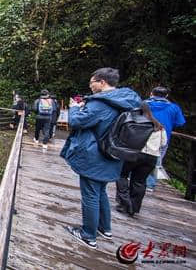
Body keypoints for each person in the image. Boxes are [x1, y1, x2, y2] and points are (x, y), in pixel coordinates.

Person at [61, 67, 141, 249]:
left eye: (92, 83)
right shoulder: (125, 101)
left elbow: (76, 122)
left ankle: (88, 235)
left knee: (90, 194)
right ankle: (105, 229)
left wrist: (74, 109)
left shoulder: (101, 103)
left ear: (102, 82)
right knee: (101, 191)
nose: (90, 86)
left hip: (94, 155)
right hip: (113, 152)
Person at [116, 102, 167, 216]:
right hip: (152, 157)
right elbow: (163, 143)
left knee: (122, 175)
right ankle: (134, 208)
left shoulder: (135, 123)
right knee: (139, 181)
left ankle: (125, 202)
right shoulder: (159, 126)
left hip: (135, 154)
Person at [145, 86, 186, 191]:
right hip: (162, 137)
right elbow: (180, 122)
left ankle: (135, 180)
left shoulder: (144, 104)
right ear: (166, 95)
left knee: (137, 155)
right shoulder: (174, 107)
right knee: (157, 160)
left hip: (143, 134)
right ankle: (150, 184)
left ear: (151, 94)